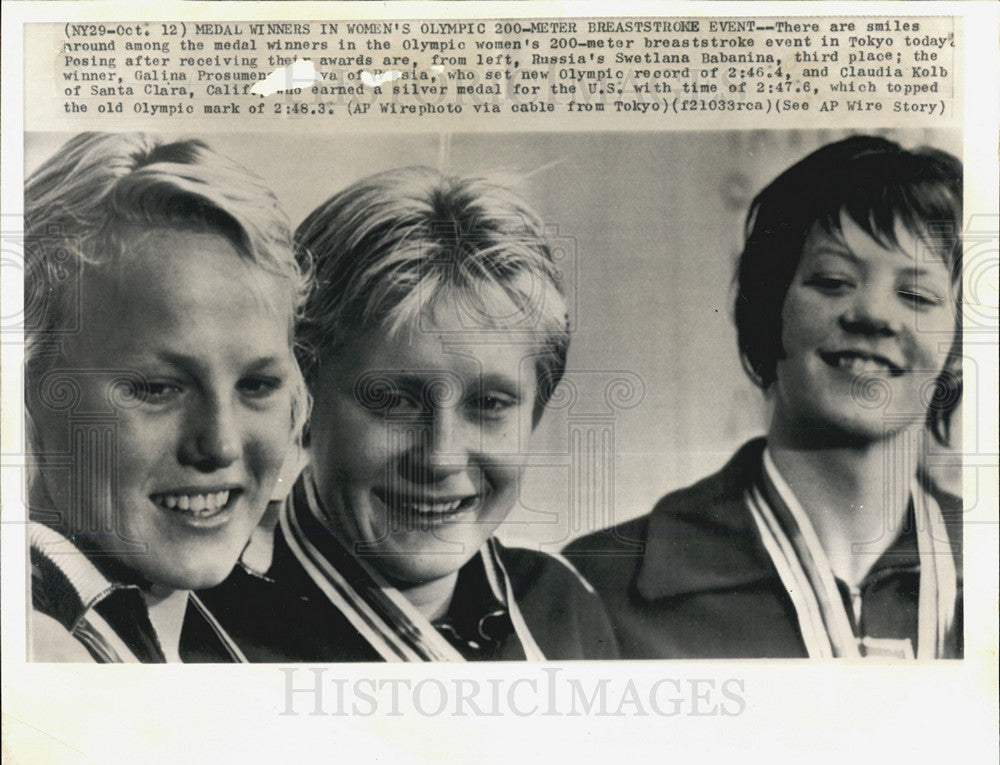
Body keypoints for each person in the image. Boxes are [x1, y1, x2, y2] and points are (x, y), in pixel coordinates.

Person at [564, 135, 963, 659]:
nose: (872, 315)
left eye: (916, 295)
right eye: (832, 279)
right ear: (770, 307)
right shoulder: (599, 587)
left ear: (959, 347)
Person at [200, 166, 619, 661]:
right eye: (392, 401)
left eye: (489, 404)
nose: (440, 458)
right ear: (300, 402)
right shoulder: (198, 620)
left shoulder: (559, 604)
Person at [25, 132, 308, 662]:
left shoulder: (232, 634)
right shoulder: (35, 644)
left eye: (257, 385)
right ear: (22, 383)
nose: (220, 445)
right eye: (158, 389)